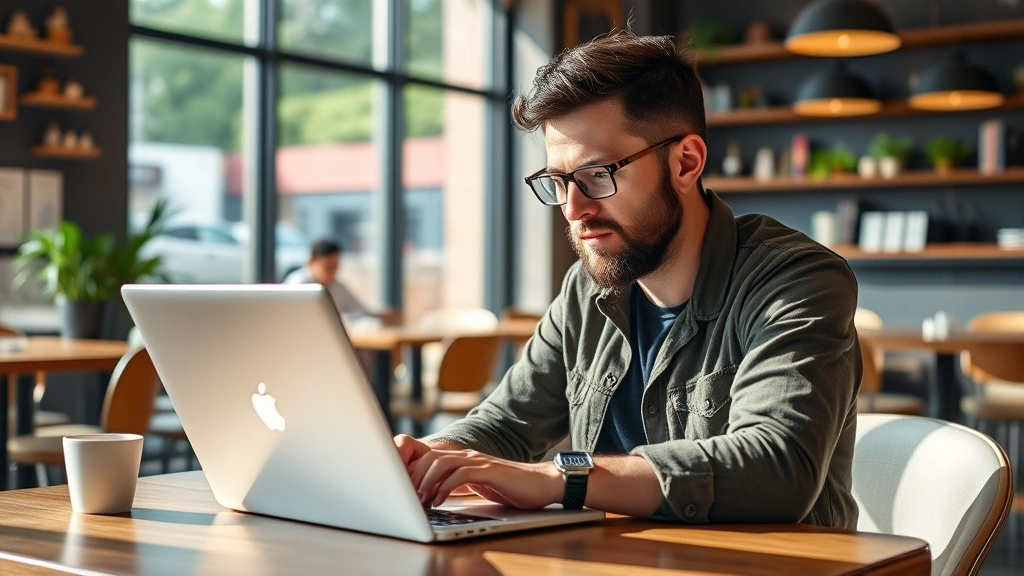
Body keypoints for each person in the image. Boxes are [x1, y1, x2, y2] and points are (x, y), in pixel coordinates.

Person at [394, 30, 861, 528]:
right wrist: (427, 458)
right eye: (558, 182)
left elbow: (776, 469)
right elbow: (507, 423)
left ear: (686, 162)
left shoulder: (797, 280)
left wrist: (564, 476)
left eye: (598, 175)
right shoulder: (586, 289)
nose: (573, 210)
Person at [284, 239, 400, 326]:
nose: (333, 272)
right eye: (328, 267)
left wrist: (380, 315)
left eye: (336, 267)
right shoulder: (297, 284)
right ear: (311, 262)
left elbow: (359, 309)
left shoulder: (337, 286)